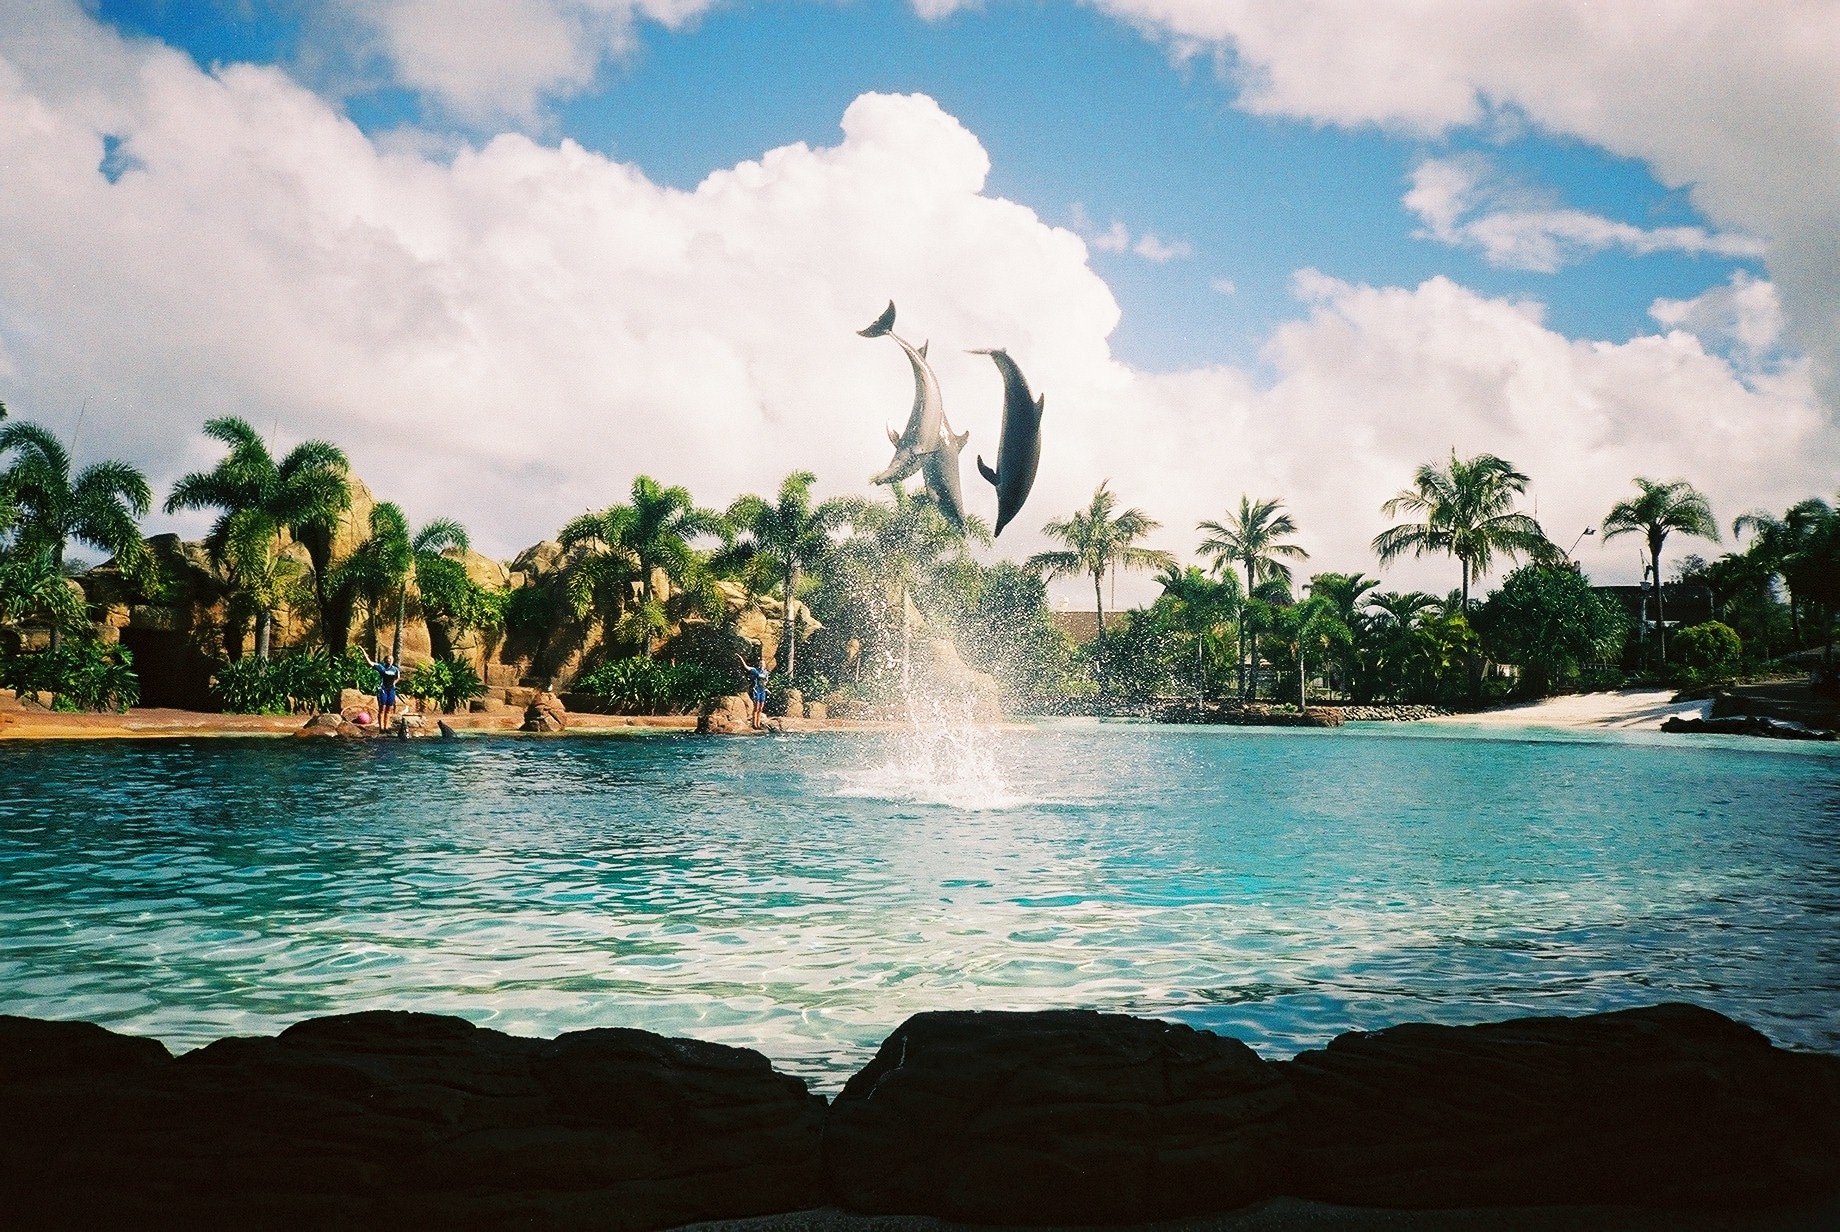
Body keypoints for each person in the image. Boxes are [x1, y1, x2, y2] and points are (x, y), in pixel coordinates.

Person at [365, 651, 402, 729]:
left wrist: (394, 683)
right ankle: (381, 728)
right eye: (388, 659)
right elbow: (370, 663)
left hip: (391, 690)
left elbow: (398, 677)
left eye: (391, 659)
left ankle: (386, 727)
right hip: (383, 689)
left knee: (389, 708)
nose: (390, 660)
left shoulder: (395, 669)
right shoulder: (381, 667)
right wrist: (364, 653)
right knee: (382, 708)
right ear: (385, 660)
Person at [736, 649, 769, 729]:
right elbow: (746, 667)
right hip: (756, 690)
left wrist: (766, 684)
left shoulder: (765, 672)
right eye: (760, 663)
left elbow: (766, 680)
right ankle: (754, 724)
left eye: (763, 664)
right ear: (759, 664)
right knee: (756, 707)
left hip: (762, 691)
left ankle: (758, 724)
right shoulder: (755, 670)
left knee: (761, 708)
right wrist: (741, 658)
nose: (761, 665)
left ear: (764, 665)